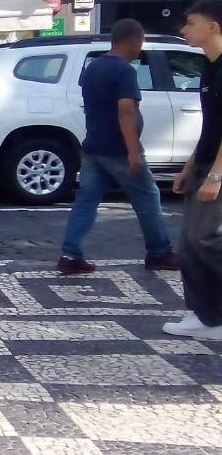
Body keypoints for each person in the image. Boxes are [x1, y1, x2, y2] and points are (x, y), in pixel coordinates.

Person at [58, 18, 180, 274]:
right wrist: (133, 150)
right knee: (147, 199)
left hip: (93, 147)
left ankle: (70, 254)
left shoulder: (93, 67)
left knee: (86, 201)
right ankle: (159, 252)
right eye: (141, 42)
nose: (140, 48)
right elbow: (125, 110)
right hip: (119, 150)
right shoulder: (124, 71)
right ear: (134, 41)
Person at [164, 0, 222, 339]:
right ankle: (205, 315)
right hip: (204, 163)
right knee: (189, 244)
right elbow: (211, 127)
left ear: (212, 26)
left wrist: (216, 175)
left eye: (190, 22)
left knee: (207, 240)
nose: (184, 29)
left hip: (217, 170)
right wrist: (189, 166)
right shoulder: (209, 67)